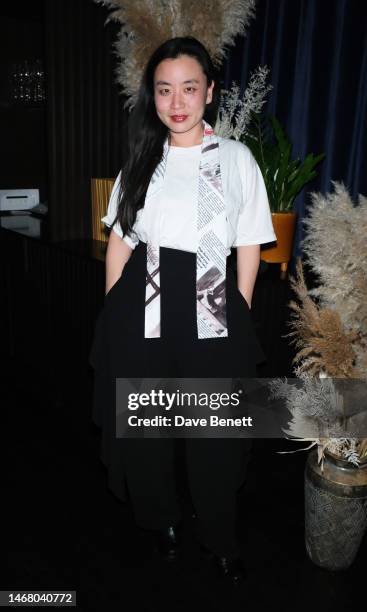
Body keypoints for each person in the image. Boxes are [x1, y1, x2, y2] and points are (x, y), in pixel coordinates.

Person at [89, 36, 276, 586]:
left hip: (213, 302)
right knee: (146, 430)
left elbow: (249, 242)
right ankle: (161, 520)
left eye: (189, 88)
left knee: (213, 434)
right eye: (165, 89)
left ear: (210, 92)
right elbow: (121, 240)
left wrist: (237, 310)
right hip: (141, 303)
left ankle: (220, 536)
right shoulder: (142, 159)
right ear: (153, 95)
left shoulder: (236, 160)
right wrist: (111, 310)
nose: (177, 101)